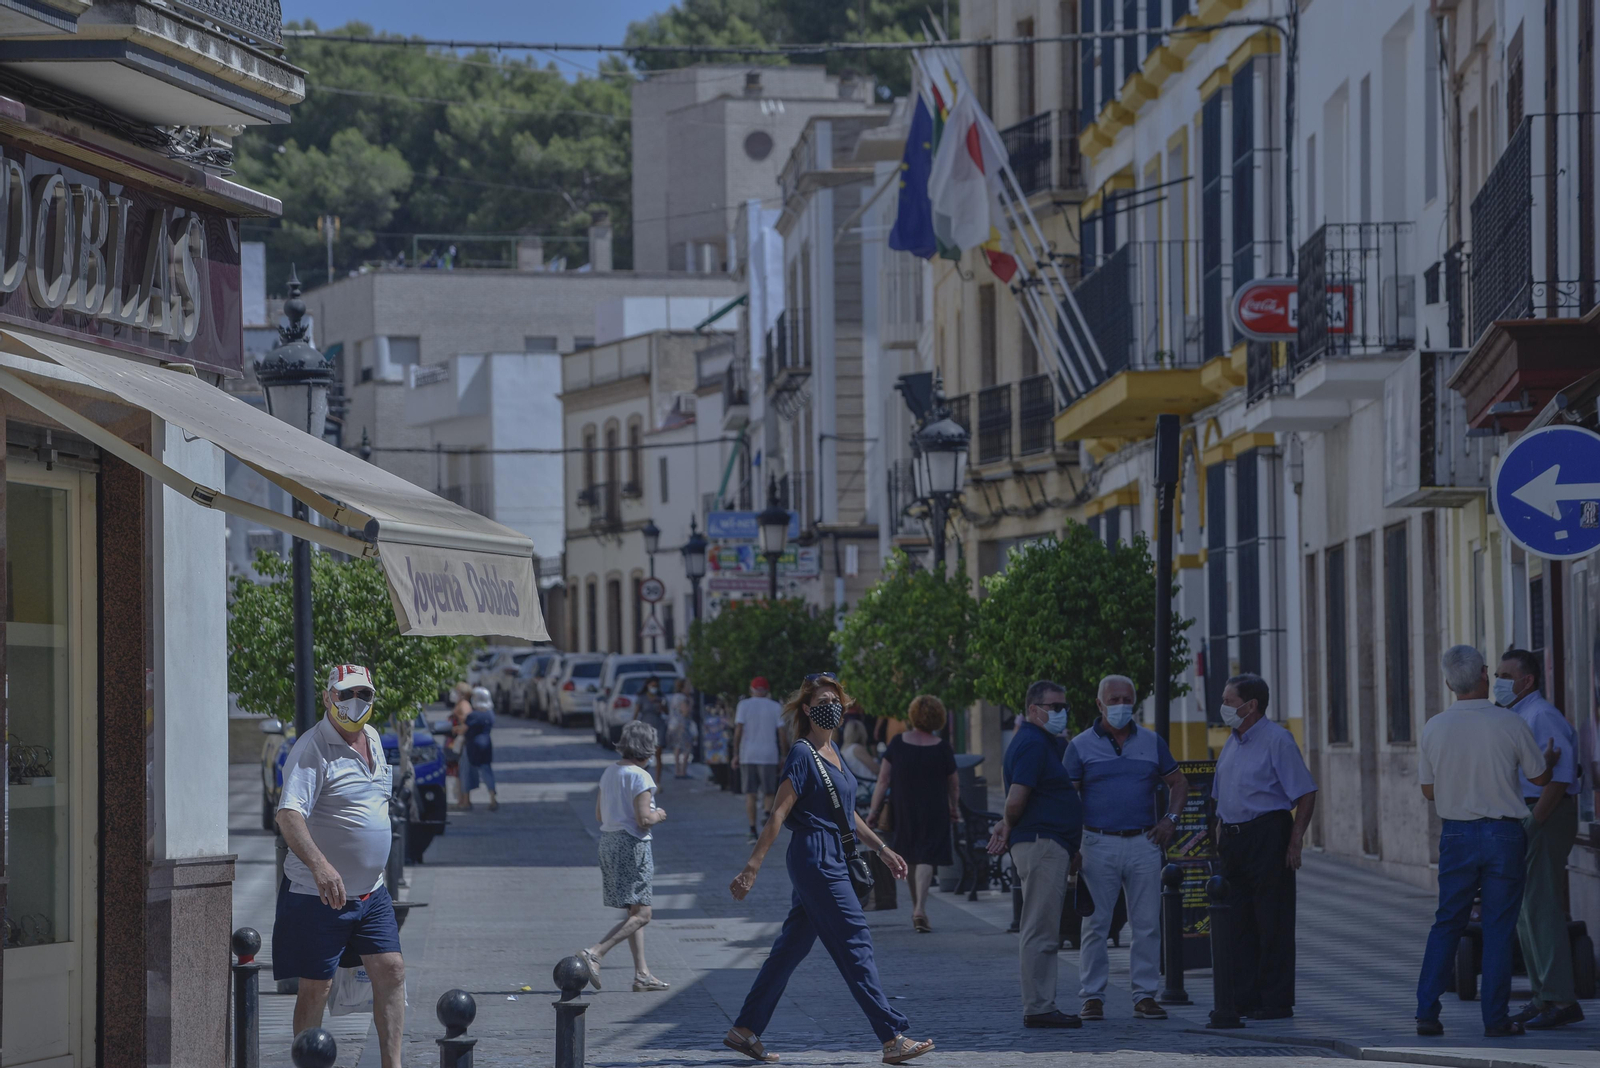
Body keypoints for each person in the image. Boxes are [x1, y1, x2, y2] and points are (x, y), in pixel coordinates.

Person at [725, 673, 934, 1065]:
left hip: (833, 854)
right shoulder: (803, 754)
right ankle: (892, 1037)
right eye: (823, 699)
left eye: (836, 699)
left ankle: (744, 1029)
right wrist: (752, 866)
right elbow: (779, 812)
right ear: (807, 709)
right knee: (855, 939)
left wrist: (884, 849)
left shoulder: (834, 752)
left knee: (790, 948)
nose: (832, 705)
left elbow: (847, 815)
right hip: (815, 856)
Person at [1416, 645, 1561, 1038]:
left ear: (1449, 683)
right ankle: (1495, 1019)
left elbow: (1428, 791)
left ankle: (1426, 1012)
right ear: (1484, 674)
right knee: (1499, 927)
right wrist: (1548, 760)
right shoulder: (1510, 723)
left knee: (1447, 921)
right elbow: (1539, 779)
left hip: (1457, 832)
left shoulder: (1434, 727)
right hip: (1503, 833)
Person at [272, 664, 406, 1068]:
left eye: (363, 695)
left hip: (371, 891)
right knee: (317, 988)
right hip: (319, 894)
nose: (355, 703)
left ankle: (392, 1065)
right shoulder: (312, 747)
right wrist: (321, 866)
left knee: (392, 970)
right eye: (346, 694)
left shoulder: (375, 738)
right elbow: (289, 815)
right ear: (329, 697)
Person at [1064, 675, 1187, 1021]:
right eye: (1114, 699)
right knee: (1095, 924)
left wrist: (1170, 821)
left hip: (1143, 841)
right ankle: (1092, 997)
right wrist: (1072, 843)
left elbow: (1178, 782)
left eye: (1127, 699)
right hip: (1097, 842)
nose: (1121, 706)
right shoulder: (1080, 746)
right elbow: (1066, 797)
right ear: (1100, 704)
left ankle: (1145, 995)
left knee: (1147, 923)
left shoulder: (1151, 742)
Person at [1211, 672, 1317, 1021]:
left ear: (1250, 705)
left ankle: (1274, 1000)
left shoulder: (1277, 740)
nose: (1223, 707)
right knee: (1238, 922)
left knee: (1272, 920)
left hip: (1267, 834)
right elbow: (1222, 791)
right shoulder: (1232, 741)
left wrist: (1296, 839)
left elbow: (1304, 792)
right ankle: (1244, 997)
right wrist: (1219, 830)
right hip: (1233, 838)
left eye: (1228, 701)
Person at [986, 680, 1085, 1030]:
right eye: (1054, 707)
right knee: (1040, 928)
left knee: (1041, 925)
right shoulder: (1031, 743)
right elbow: (1016, 800)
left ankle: (1041, 1003)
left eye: (1064, 707)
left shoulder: (1041, 742)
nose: (1062, 713)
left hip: (1048, 843)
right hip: (1043, 844)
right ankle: (1040, 1006)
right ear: (1033, 709)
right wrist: (1008, 824)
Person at [1495, 649, 1585, 1029]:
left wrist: (1534, 822)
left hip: (1544, 813)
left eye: (1504, 675)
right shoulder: (1518, 715)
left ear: (1526, 680)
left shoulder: (1541, 715)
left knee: (1542, 907)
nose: (1497, 682)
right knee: (1526, 911)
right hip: (1528, 813)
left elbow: (1560, 777)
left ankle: (1561, 999)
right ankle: (1542, 996)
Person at [578, 720, 670, 993]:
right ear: (647, 748)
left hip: (608, 842)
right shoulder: (641, 777)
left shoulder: (609, 772)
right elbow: (643, 819)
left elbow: (598, 815)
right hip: (632, 845)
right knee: (643, 914)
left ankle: (642, 974)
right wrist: (659, 815)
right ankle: (595, 952)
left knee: (633, 910)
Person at [867, 695, 958, 933]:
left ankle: (917, 909)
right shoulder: (942, 747)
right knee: (927, 856)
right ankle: (920, 908)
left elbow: (883, 780)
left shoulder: (897, 743)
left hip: (903, 807)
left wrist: (873, 811)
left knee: (908, 855)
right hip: (935, 807)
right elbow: (954, 783)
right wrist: (954, 807)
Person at [734, 676, 785, 840]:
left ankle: (752, 829)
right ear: (767, 690)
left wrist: (735, 753)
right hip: (769, 754)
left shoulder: (743, 705)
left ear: (751, 689)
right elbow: (782, 733)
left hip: (748, 754)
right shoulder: (776, 707)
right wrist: (783, 753)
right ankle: (766, 813)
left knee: (751, 793)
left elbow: (738, 731)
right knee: (769, 791)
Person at [456, 686, 498, 812]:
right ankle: (492, 797)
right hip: (486, 744)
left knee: (466, 771)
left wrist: (455, 729)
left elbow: (463, 729)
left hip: (472, 745)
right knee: (487, 770)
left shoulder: (473, 715)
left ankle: (466, 800)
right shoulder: (490, 714)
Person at [635, 675, 668, 782]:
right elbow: (636, 713)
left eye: (656, 686)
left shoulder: (661, 697)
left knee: (658, 753)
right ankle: (644, 779)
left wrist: (661, 706)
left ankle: (657, 781)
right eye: (652, 685)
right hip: (645, 727)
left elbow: (667, 712)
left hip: (658, 725)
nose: (654, 687)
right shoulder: (642, 698)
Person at [666, 678, 698, 780]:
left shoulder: (674, 697)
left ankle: (677, 770)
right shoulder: (683, 698)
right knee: (686, 748)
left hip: (673, 725)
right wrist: (691, 704)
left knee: (677, 748)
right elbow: (685, 712)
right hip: (683, 725)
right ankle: (682, 771)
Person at [703, 698, 732, 789]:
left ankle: (722, 782)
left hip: (720, 744)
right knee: (714, 763)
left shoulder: (723, 717)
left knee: (721, 764)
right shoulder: (712, 717)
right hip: (713, 744)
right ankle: (720, 781)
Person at [841, 720, 881, 784]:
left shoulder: (843, 751)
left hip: (860, 786)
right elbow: (877, 769)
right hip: (870, 784)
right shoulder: (857, 748)